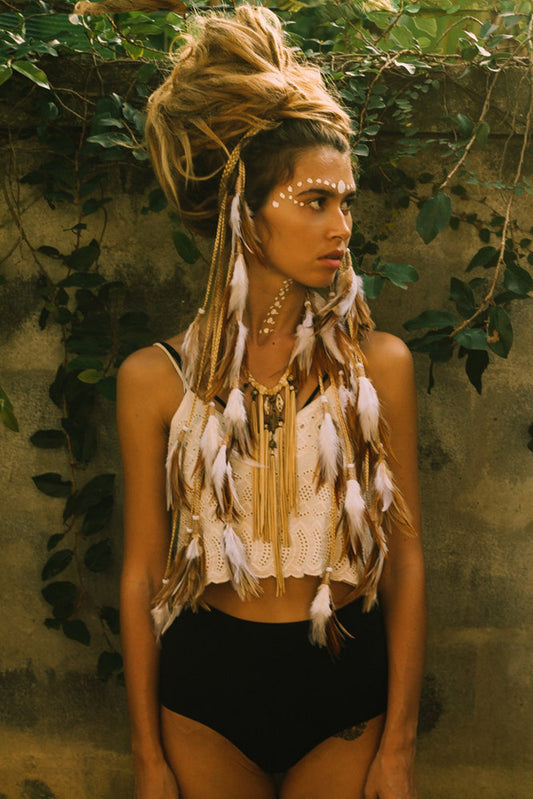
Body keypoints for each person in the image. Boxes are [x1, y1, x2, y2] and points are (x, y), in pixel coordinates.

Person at [112, 5, 426, 798]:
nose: (341, 227)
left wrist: (397, 749)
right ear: (243, 216)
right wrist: (147, 759)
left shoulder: (378, 366)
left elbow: (406, 560)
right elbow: (145, 569)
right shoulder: (154, 379)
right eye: (315, 201)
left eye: (345, 203)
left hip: (342, 688)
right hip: (205, 695)